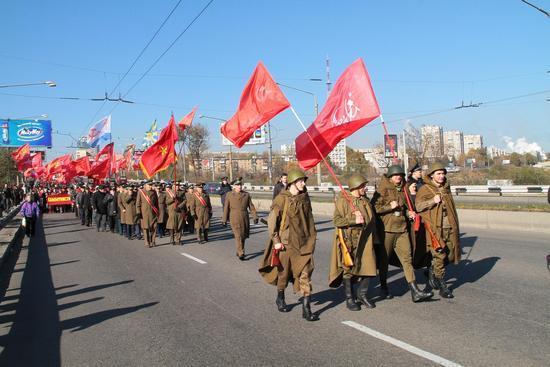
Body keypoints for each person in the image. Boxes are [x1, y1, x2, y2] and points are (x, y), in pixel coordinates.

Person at [259, 169, 317, 321]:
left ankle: (306, 309)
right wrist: (276, 242)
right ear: (292, 182)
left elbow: (310, 221)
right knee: (283, 274)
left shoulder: (305, 198)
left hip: (303, 244)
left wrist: (312, 239)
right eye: (300, 181)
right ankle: (280, 297)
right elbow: (272, 222)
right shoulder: (281, 199)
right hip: (285, 243)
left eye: (304, 181)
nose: (303, 183)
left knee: (306, 274)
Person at [371, 165, 433, 303]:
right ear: (390, 177)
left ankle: (415, 291)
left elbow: (404, 207)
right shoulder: (382, 189)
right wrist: (389, 207)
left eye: (400, 175)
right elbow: (374, 208)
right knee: (384, 261)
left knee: (407, 259)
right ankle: (383, 286)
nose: (398, 177)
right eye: (395, 175)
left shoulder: (403, 189)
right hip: (387, 230)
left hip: (402, 229)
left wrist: (408, 213)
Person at [329, 174, 378, 311]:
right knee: (348, 270)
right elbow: (337, 221)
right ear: (356, 187)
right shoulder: (343, 201)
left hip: (365, 240)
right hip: (349, 240)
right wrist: (353, 220)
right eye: (363, 186)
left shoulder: (364, 200)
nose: (365, 188)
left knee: (369, 267)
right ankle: (350, 299)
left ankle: (362, 295)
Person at [416, 162, 461, 299]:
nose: (441, 176)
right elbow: (418, 207)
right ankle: (443, 286)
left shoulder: (446, 188)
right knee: (440, 255)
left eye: (443, 173)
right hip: (435, 229)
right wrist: (432, 201)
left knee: (449, 254)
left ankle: (433, 270)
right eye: (438, 174)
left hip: (449, 227)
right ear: (431, 175)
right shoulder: (425, 189)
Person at [222, 179, 258, 260]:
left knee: (243, 235)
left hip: (244, 217)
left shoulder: (246, 195)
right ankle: (241, 253)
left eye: (240, 185)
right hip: (234, 217)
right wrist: (224, 220)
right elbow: (226, 208)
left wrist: (255, 216)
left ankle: (239, 250)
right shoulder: (229, 194)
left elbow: (251, 207)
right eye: (237, 185)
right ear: (234, 186)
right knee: (238, 235)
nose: (239, 186)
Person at [136, 181, 159, 248]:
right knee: (145, 228)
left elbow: (156, 203)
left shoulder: (154, 192)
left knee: (154, 228)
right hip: (144, 213)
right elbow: (138, 203)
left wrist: (158, 212)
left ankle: (153, 241)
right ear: (145, 185)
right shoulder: (141, 192)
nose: (150, 186)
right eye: (149, 185)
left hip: (153, 213)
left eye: (151, 185)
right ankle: (147, 242)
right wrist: (138, 212)